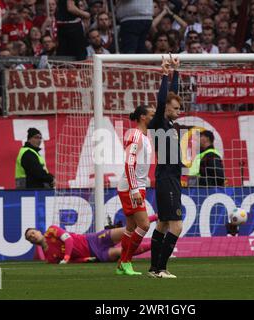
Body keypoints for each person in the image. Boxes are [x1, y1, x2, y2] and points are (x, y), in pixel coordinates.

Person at [147, 55, 183, 279]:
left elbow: (171, 98)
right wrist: (164, 74)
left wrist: (176, 73)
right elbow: (163, 101)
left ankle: (153, 268)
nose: (179, 110)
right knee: (176, 226)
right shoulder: (159, 122)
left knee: (161, 225)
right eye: (176, 108)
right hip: (167, 179)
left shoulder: (169, 122)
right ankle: (162, 268)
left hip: (169, 179)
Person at [116, 105, 155, 276]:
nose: (155, 117)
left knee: (131, 227)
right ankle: (126, 261)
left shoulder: (145, 136)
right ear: (142, 117)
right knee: (144, 225)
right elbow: (129, 163)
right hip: (132, 187)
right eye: (152, 115)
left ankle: (121, 265)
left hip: (136, 185)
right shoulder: (135, 135)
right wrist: (134, 189)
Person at [25, 218, 156, 264]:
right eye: (30, 237)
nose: (32, 236)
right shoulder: (48, 258)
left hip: (93, 240)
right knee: (122, 251)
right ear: (31, 242)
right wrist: (84, 260)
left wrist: (66, 256)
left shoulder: (51, 230)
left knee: (129, 229)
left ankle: (157, 217)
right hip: (95, 255)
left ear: (38, 231)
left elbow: (68, 240)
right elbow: (69, 262)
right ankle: (158, 243)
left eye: (32, 232)